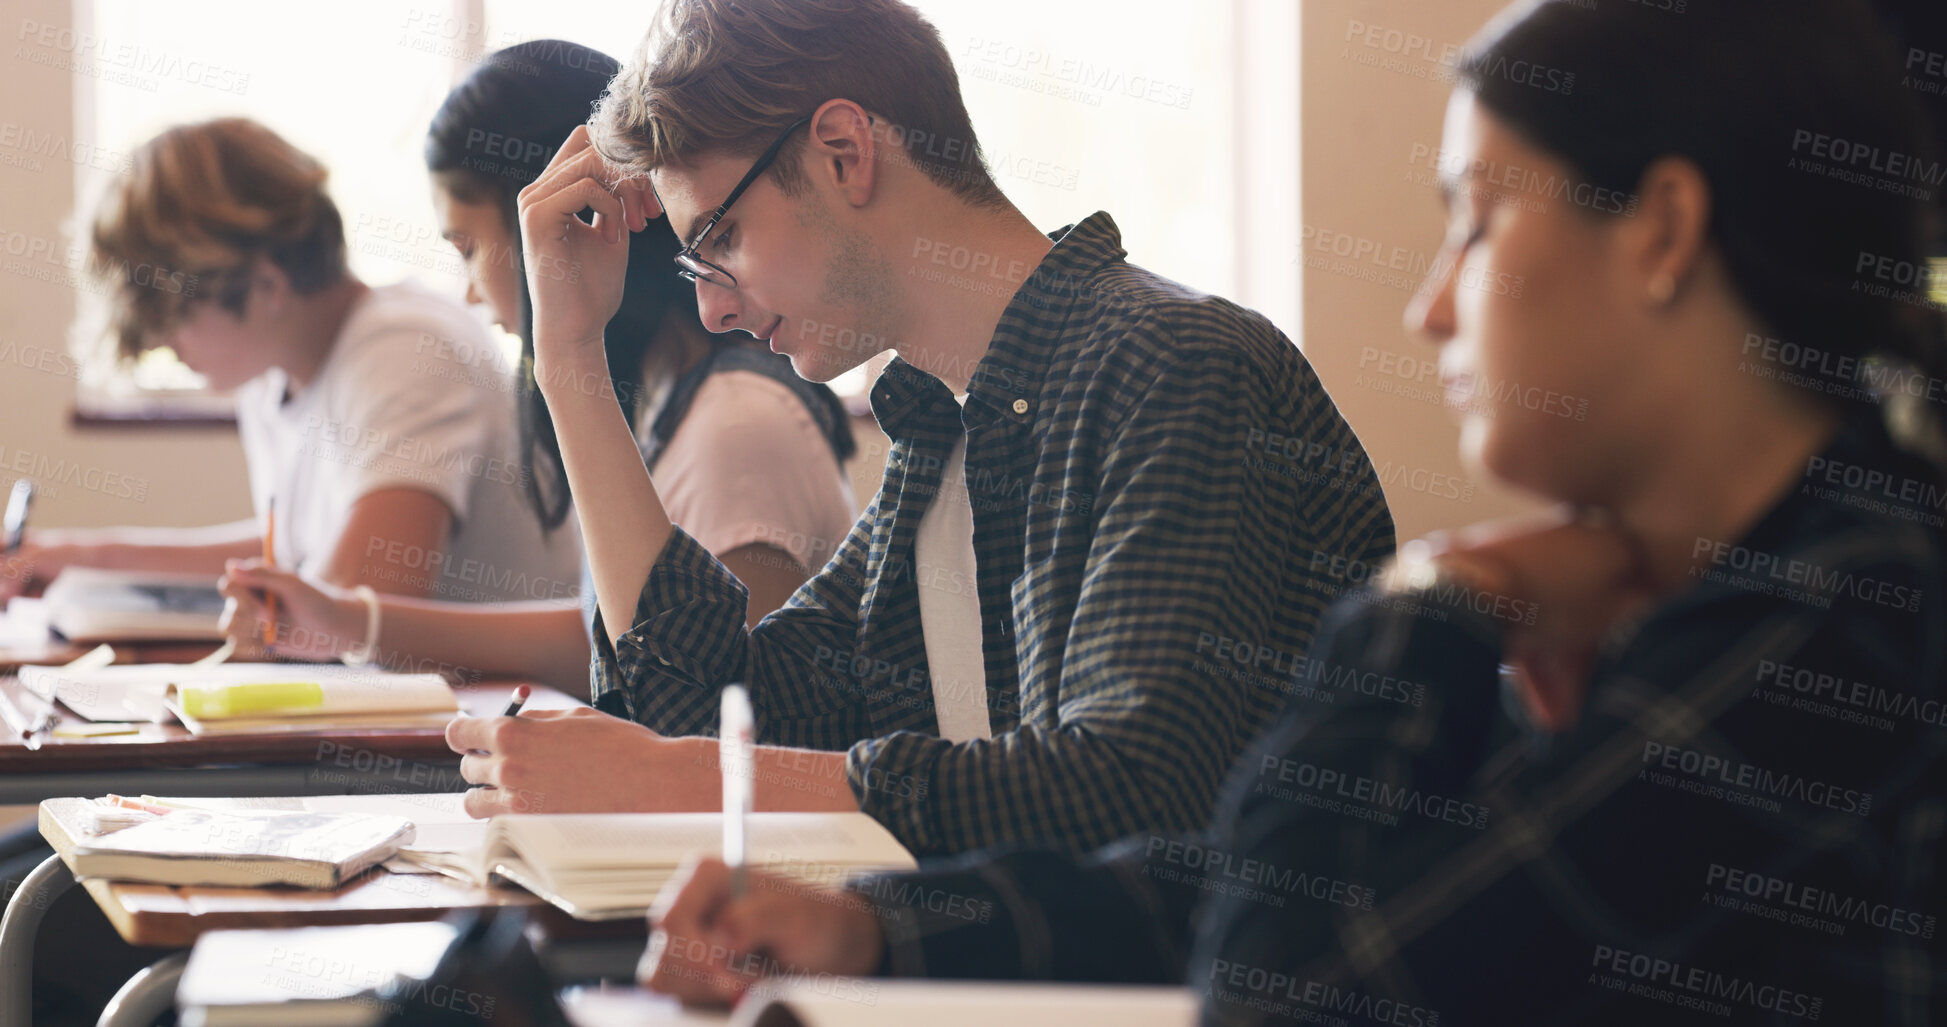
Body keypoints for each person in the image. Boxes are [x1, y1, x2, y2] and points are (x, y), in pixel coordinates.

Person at [635, 1, 1947, 1023]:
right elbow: (1274, 884)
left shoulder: (1835, 623)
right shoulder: (1695, 585)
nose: (1427, 304)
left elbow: (1287, 975)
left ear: (1660, 229)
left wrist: (1429, 596)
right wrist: (872, 930)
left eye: (1476, 223)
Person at [443, 0, 1394, 853]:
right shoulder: (942, 433)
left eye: (718, 242)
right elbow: (725, 712)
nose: (713, 314)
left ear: (845, 153)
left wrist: (687, 778)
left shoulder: (1178, 367)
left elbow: (1130, 787)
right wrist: (568, 356)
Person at [216, 40, 859, 691]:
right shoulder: (670, 402)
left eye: (467, 247)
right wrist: (350, 619)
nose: (468, 291)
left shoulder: (735, 426)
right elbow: (612, 636)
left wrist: (359, 619)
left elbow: (700, 703)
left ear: (574, 220)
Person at [0, 117, 581, 618]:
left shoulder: (406, 347)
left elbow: (346, 606)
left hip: (503, 722)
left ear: (266, 286)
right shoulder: (278, 374)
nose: (159, 341)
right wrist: (70, 556)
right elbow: (296, 556)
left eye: (170, 315)